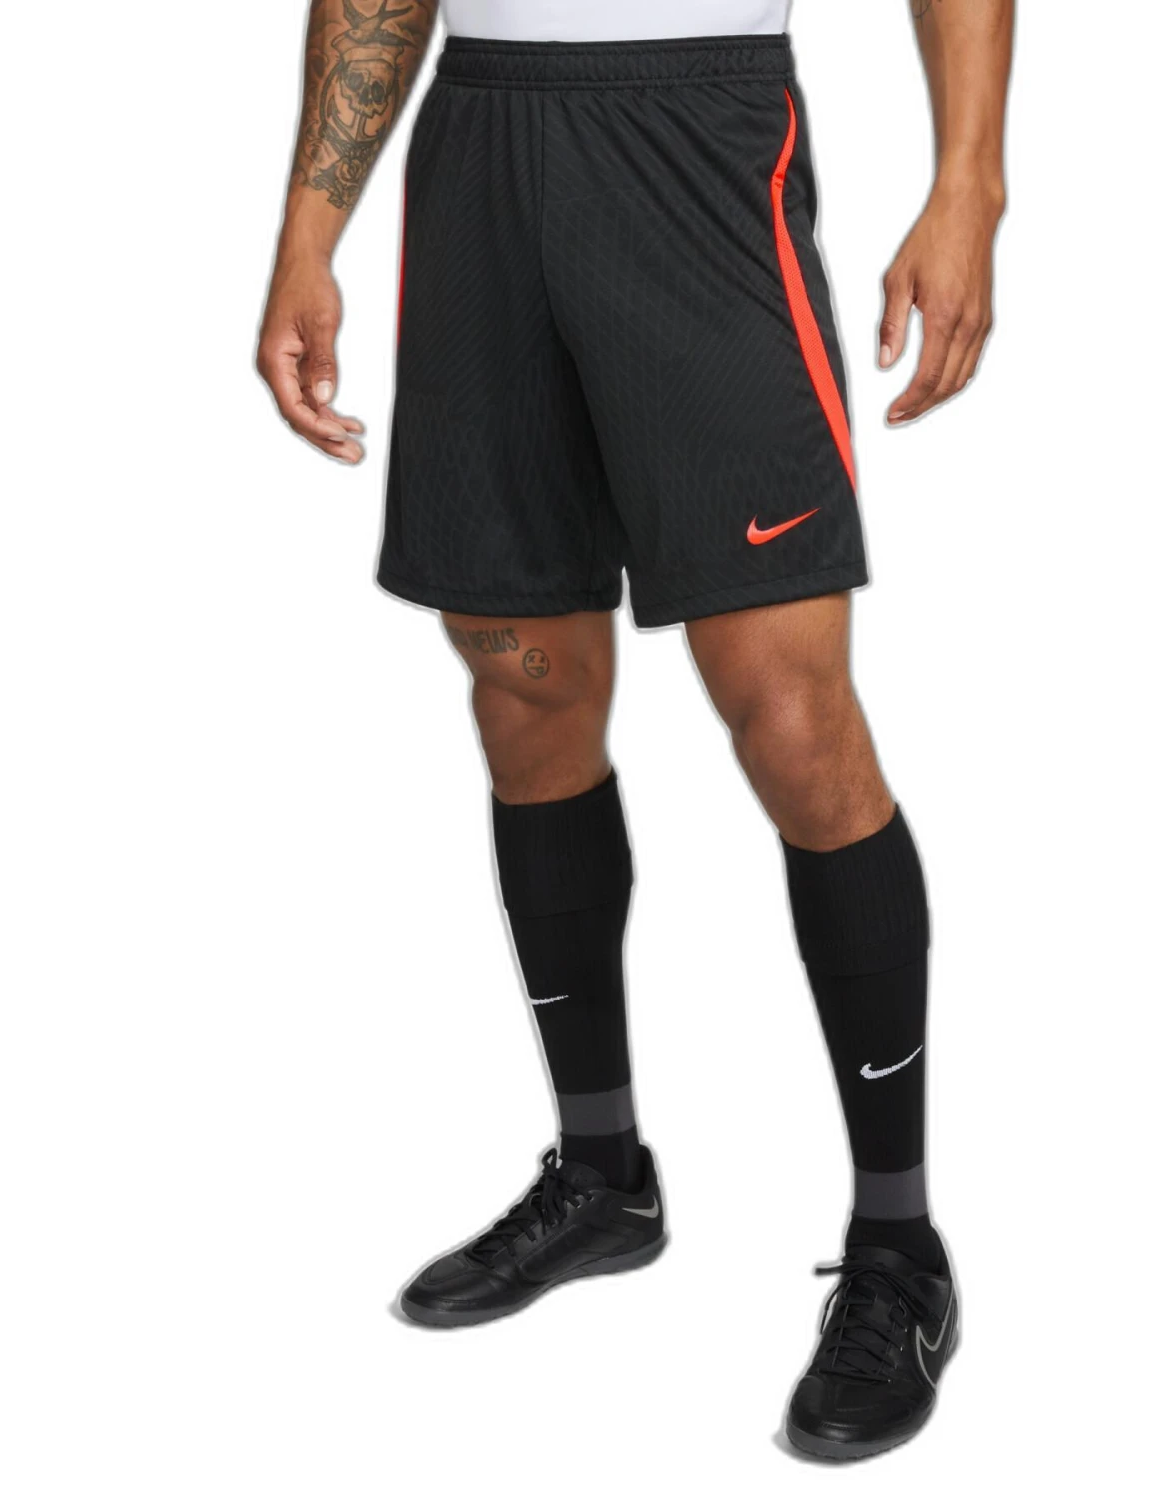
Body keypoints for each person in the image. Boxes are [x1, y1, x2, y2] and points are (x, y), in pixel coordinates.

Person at [257, 0, 1011, 1461]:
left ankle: (901, 1250)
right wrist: (308, 230)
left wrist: (968, 180)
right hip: (482, 150)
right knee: (523, 688)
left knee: (792, 722)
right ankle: (603, 1175)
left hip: (697, 137)